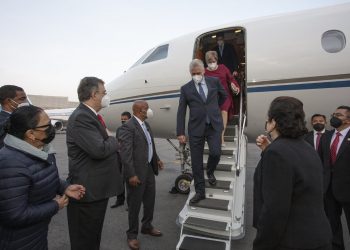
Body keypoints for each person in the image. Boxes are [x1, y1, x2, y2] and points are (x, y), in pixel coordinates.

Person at [0, 105, 85, 250]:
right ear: (31, 134)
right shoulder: (11, 164)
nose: (51, 127)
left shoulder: (38, 149)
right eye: (47, 125)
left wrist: (64, 187)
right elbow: (15, 215)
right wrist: (55, 205)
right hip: (18, 241)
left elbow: (38, 178)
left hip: (36, 233)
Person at [253, 96, 332, 250]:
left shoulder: (277, 153)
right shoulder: (306, 147)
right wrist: (269, 150)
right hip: (317, 237)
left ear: (274, 122)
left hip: (292, 241)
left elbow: (274, 211)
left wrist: (261, 245)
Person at [66, 77, 123, 250]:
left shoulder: (92, 115)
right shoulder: (82, 117)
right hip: (87, 191)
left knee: (92, 236)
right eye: (104, 93)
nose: (106, 96)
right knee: (85, 239)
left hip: (96, 189)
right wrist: (115, 140)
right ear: (93, 94)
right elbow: (99, 149)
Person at [177, 59, 227, 204]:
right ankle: (200, 192)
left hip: (213, 126)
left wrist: (214, 109)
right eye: (193, 74)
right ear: (190, 73)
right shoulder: (185, 88)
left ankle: (210, 171)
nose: (196, 75)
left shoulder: (214, 82)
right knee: (196, 162)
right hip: (195, 129)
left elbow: (224, 96)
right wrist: (180, 132)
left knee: (215, 153)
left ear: (204, 71)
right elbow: (181, 111)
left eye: (199, 73)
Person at [119, 100, 164, 250]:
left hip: (149, 170)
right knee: (134, 205)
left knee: (150, 201)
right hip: (136, 173)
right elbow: (125, 154)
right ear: (140, 110)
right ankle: (132, 235)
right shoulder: (128, 127)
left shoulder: (146, 125)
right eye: (147, 108)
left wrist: (156, 159)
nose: (149, 110)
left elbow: (150, 145)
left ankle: (147, 226)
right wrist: (131, 175)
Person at [318, 106, 350, 250]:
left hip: (348, 190)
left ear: (348, 120)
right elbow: (320, 162)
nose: (334, 117)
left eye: (339, 115)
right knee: (332, 226)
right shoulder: (326, 136)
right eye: (334, 114)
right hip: (329, 190)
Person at [204, 50, 240, 146]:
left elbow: (231, 79)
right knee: (214, 117)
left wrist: (235, 87)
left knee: (224, 112)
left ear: (216, 60)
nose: (212, 63)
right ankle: (213, 136)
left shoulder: (223, 68)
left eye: (213, 61)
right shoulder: (204, 72)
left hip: (225, 95)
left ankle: (221, 137)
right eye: (209, 62)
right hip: (212, 98)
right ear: (206, 62)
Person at [111, 111, 132, 209]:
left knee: (129, 182)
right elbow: (117, 141)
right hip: (119, 158)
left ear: (129, 119)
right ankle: (120, 200)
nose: (123, 120)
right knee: (119, 181)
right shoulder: (119, 129)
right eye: (122, 119)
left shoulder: (133, 129)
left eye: (125, 119)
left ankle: (130, 203)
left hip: (128, 158)